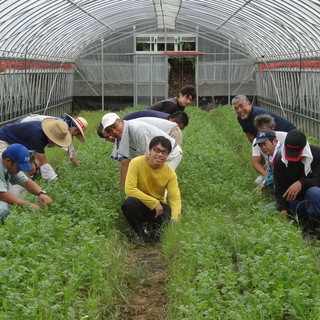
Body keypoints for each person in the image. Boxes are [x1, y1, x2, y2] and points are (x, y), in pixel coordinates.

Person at [121, 136, 181, 245]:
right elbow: (129, 190)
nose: (160, 154)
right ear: (149, 150)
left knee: (166, 221)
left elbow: (175, 198)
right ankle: (139, 233)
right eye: (156, 150)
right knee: (129, 204)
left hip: (158, 209)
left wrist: (175, 218)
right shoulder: (136, 163)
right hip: (139, 203)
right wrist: (154, 202)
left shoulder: (170, 173)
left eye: (164, 152)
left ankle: (153, 228)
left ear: (167, 155)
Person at [101, 112, 183, 187]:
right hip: (158, 153)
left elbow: (150, 156)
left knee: (158, 185)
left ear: (121, 121)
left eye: (115, 127)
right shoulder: (122, 137)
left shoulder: (137, 129)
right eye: (109, 131)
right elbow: (127, 163)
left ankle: (165, 202)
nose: (114, 132)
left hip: (171, 153)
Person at [274, 130, 320, 239]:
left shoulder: (317, 155)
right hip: (298, 202)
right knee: (271, 208)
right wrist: (283, 209)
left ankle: (313, 228)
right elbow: (279, 189)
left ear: (303, 148)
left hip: (316, 199)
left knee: (313, 192)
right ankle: (305, 220)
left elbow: (318, 180)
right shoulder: (280, 161)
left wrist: (301, 183)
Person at [0, 119, 72, 181]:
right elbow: (43, 163)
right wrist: (53, 179)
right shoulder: (38, 134)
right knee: (4, 166)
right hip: (4, 139)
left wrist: (31, 165)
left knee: (28, 169)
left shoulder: (45, 135)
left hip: (18, 144)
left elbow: (33, 152)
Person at [0, 144, 52, 222]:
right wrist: (27, 205)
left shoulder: (9, 167)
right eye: (19, 167)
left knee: (11, 205)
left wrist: (41, 193)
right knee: (3, 209)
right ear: (8, 161)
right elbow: (2, 194)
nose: (20, 170)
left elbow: (26, 182)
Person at [18, 113, 88, 167]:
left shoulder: (65, 130)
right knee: (24, 157)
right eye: (76, 130)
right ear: (72, 124)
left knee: (32, 158)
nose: (75, 133)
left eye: (78, 133)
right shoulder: (60, 128)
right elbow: (72, 156)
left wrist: (78, 164)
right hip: (25, 126)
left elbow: (71, 154)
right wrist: (78, 167)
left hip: (30, 129)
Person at [232, 95, 296, 143]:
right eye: (236, 108)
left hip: (289, 133)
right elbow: (250, 136)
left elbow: (266, 134)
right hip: (273, 137)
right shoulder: (241, 118)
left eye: (241, 106)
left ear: (249, 104)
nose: (239, 110)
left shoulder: (257, 114)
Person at [123, 110, 189, 130]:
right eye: (179, 128)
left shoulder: (167, 118)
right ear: (174, 121)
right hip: (126, 123)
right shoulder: (161, 121)